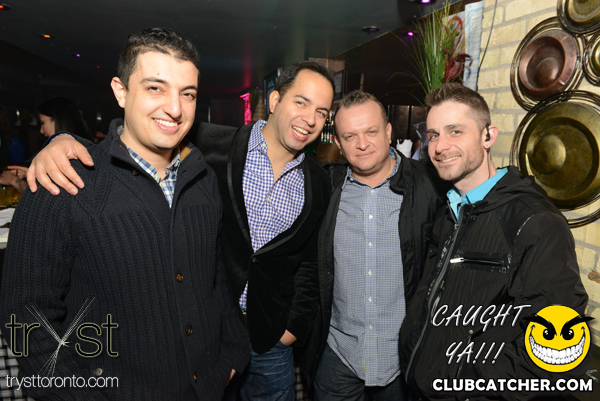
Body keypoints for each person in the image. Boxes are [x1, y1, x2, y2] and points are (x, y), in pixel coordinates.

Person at [24, 60, 335, 400]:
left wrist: (293, 328)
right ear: (275, 100)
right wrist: (64, 140)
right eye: (301, 102)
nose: (310, 119)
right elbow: (138, 136)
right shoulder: (211, 143)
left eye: (321, 112)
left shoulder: (319, 182)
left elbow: (309, 261)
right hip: (207, 334)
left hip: (271, 337)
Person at [0, 27, 249, 400]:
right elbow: (25, 321)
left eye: (188, 94)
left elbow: (214, 278)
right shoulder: (64, 183)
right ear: (121, 91)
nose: (175, 108)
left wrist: (232, 353)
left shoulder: (203, 179)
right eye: (155, 88)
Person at [398, 83, 588, 400]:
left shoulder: (534, 222)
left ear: (488, 136)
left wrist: (466, 382)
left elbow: (558, 350)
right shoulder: (450, 210)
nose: (440, 146)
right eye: (433, 135)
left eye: (455, 131)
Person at [305, 90, 443, 400]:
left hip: (403, 359)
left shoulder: (431, 187)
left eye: (371, 132)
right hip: (338, 355)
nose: (362, 144)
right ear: (338, 143)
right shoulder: (325, 189)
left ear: (389, 131)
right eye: (350, 136)